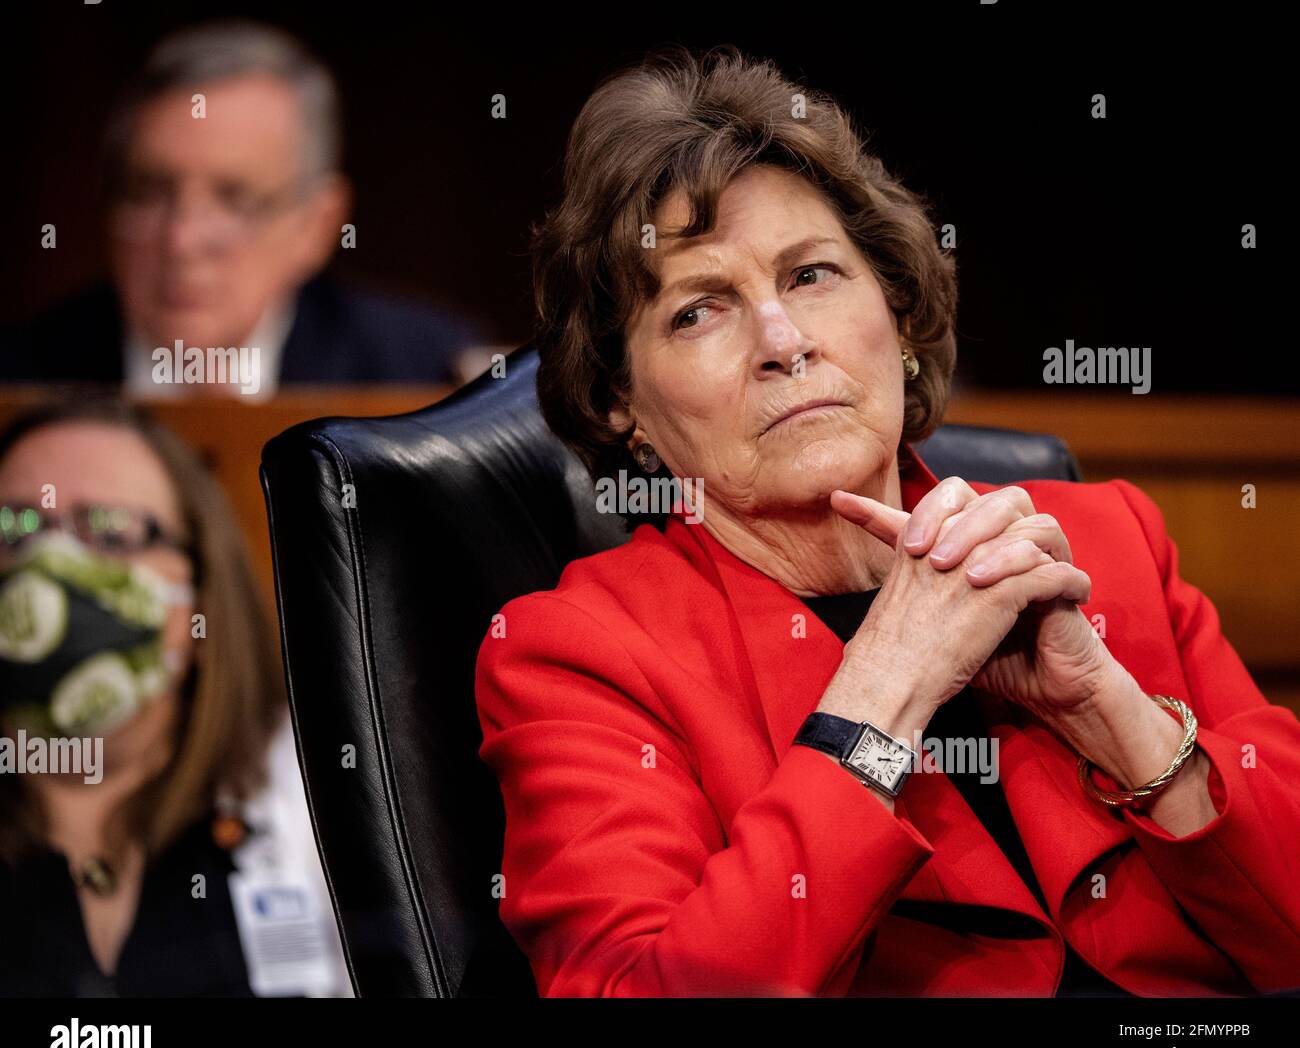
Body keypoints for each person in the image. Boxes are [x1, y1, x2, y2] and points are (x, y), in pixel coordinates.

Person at [473, 45, 1300, 998]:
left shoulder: (1107, 541)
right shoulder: (578, 655)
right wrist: (882, 693)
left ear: (899, 316)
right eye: (701, 311)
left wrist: (1114, 717)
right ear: (623, 402)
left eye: (813, 275)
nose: (783, 343)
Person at [0, 399, 351, 997]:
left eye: (110, 531)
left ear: (200, 591)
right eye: (15, 527)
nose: (51, 564)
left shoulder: (318, 790)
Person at [2, 19, 485, 394]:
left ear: (318, 225)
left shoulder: (423, 377)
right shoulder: (21, 378)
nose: (182, 240)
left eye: (235, 200)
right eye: (148, 193)